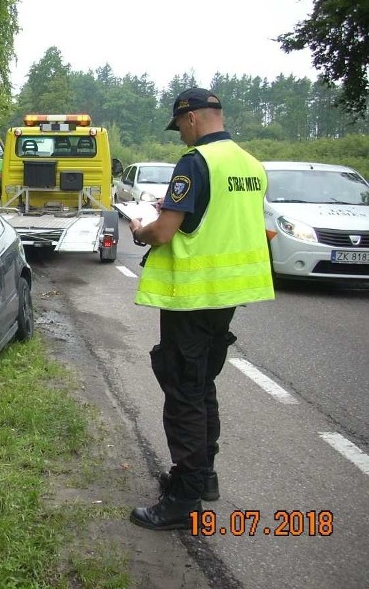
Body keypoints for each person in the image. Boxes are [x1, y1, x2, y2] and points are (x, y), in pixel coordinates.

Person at [127, 88, 275, 530]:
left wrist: (140, 228)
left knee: (183, 390)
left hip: (191, 296)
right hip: (227, 297)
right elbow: (245, 227)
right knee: (202, 382)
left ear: (191, 119)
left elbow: (165, 233)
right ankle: (204, 475)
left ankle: (184, 498)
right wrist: (172, 211)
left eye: (180, 128)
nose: (181, 137)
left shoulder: (195, 163)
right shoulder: (250, 164)